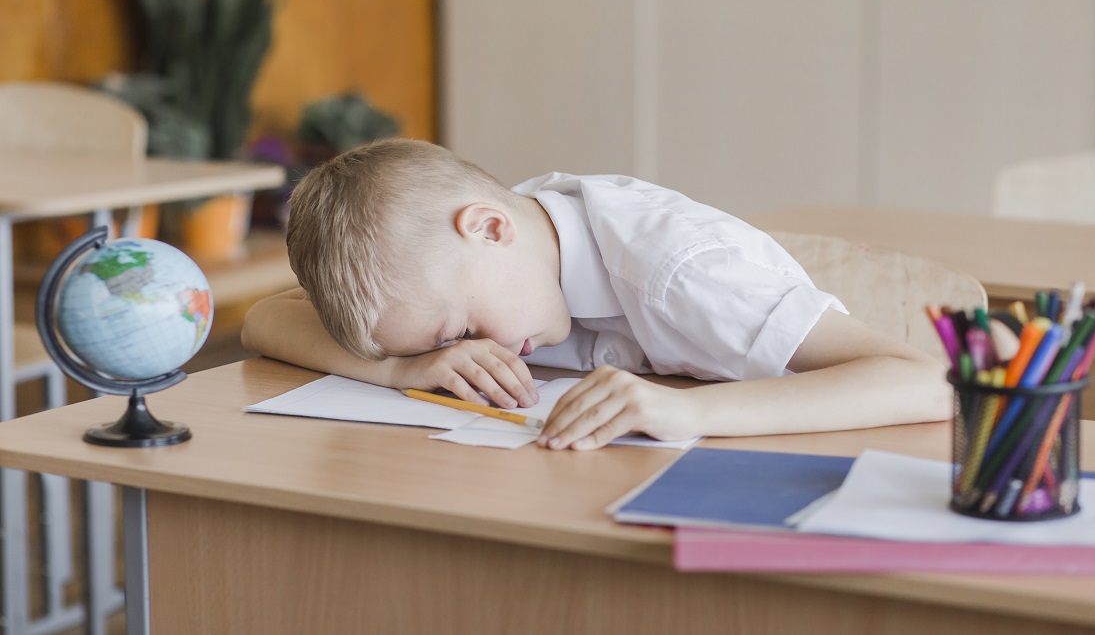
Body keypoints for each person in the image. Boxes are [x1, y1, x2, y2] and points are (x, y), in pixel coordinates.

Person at [242, 139, 949, 451]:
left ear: (489, 227)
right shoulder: (499, 254)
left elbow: (933, 385)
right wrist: (403, 368)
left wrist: (681, 410)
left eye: (456, 330)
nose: (470, 352)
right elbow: (267, 320)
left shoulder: (677, 269)